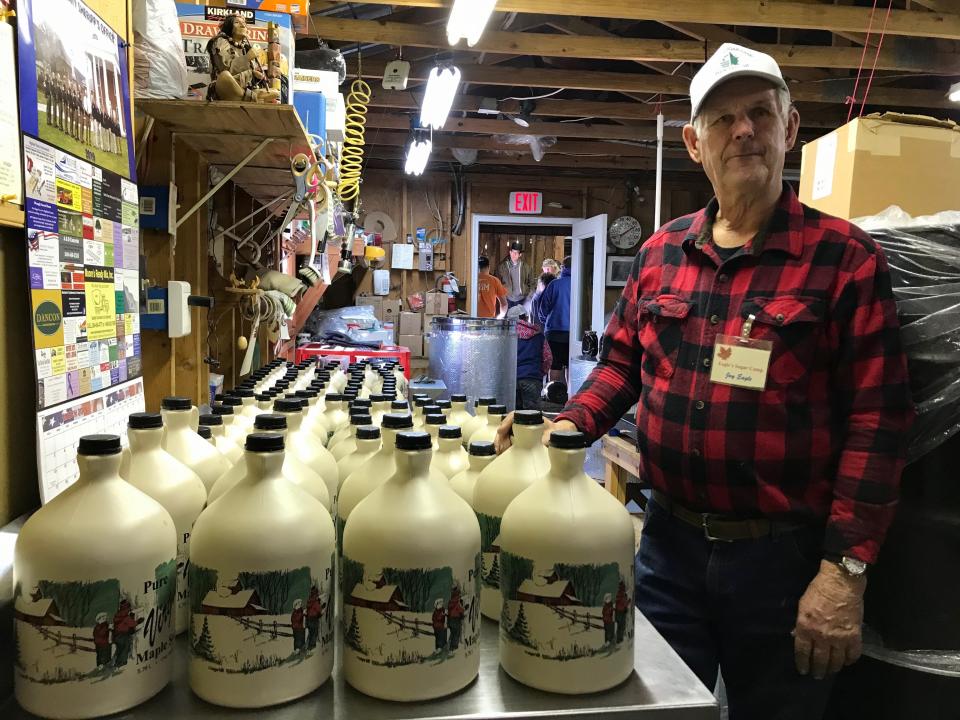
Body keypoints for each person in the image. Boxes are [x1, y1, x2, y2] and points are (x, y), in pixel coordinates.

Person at [495, 42, 913, 720]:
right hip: (669, 550)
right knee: (653, 710)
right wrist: (565, 426)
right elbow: (622, 365)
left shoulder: (844, 259)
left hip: (786, 562)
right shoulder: (662, 253)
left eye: (759, 113)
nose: (742, 130)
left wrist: (844, 572)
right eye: (722, 119)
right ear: (693, 143)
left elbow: (879, 421)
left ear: (790, 127)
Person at [508, 305, 551, 410]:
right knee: (531, 416)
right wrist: (541, 372)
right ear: (526, 318)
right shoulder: (538, 336)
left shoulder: (507, 335)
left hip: (511, 380)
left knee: (512, 414)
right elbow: (548, 358)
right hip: (532, 378)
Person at [536, 256, 571, 382]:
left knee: (555, 364)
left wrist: (547, 321)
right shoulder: (581, 284)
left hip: (554, 331)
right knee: (571, 364)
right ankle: (569, 394)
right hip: (575, 333)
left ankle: (554, 394)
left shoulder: (554, 284)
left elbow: (543, 309)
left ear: (562, 267)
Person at [497, 241, 535, 309]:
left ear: (520, 255)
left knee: (521, 319)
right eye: (512, 252)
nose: (513, 255)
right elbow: (497, 283)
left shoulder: (526, 267)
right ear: (510, 252)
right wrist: (502, 297)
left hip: (522, 299)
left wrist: (528, 298)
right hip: (507, 299)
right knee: (507, 319)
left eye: (516, 253)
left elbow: (532, 283)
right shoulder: (502, 267)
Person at [111, 599, 137, 667]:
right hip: (123, 636)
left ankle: (115, 662)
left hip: (116, 636)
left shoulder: (117, 615)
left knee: (119, 649)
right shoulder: (125, 617)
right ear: (127, 608)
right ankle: (120, 664)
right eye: (129, 608)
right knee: (125, 649)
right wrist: (138, 620)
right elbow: (133, 624)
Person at [447, 586, 466, 650]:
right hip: (456, 620)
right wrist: (464, 608)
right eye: (459, 595)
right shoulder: (457, 603)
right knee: (456, 634)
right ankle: (453, 647)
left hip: (450, 620)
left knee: (453, 633)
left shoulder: (450, 602)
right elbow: (461, 610)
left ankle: (450, 645)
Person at [615, 580, 630, 644]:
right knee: (621, 627)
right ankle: (619, 640)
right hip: (621, 613)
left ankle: (619, 639)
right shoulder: (622, 594)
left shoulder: (619, 593)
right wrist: (629, 601)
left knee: (619, 627)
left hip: (618, 613)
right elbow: (624, 603)